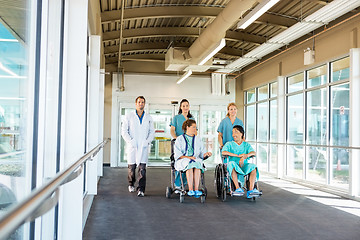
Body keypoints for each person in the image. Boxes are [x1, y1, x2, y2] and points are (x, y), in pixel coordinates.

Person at [121, 96, 155, 197]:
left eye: (142, 102)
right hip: (133, 146)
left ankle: (141, 189)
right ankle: (131, 184)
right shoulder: (129, 116)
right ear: (136, 104)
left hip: (143, 146)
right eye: (139, 102)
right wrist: (130, 141)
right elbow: (124, 131)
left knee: (142, 169)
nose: (141, 104)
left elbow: (151, 132)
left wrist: (147, 141)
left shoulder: (148, 117)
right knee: (131, 169)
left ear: (144, 104)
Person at [174, 119, 212, 198]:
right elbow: (177, 154)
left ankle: (196, 189)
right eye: (193, 127)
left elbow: (202, 153)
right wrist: (188, 157)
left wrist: (206, 154)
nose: (195, 129)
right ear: (187, 127)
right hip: (183, 160)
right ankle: (190, 189)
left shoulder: (198, 139)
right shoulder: (180, 139)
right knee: (190, 165)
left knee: (197, 165)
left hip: (195, 159)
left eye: (196, 127)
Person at [221, 125, 260, 198]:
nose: (233, 134)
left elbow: (253, 153)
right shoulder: (229, 144)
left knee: (253, 167)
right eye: (232, 133)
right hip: (233, 165)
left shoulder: (246, 145)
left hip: (243, 165)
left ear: (241, 134)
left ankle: (251, 190)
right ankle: (237, 188)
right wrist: (237, 155)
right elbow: (224, 152)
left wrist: (245, 156)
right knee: (231, 163)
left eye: (236, 132)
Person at [170, 99, 194, 189]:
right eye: (183, 106)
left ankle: (185, 183)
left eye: (187, 106)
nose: (185, 108)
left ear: (189, 107)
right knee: (179, 162)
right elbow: (172, 130)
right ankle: (177, 184)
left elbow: (195, 131)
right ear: (180, 107)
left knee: (189, 163)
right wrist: (176, 138)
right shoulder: (176, 118)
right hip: (179, 144)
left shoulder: (192, 119)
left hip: (189, 144)